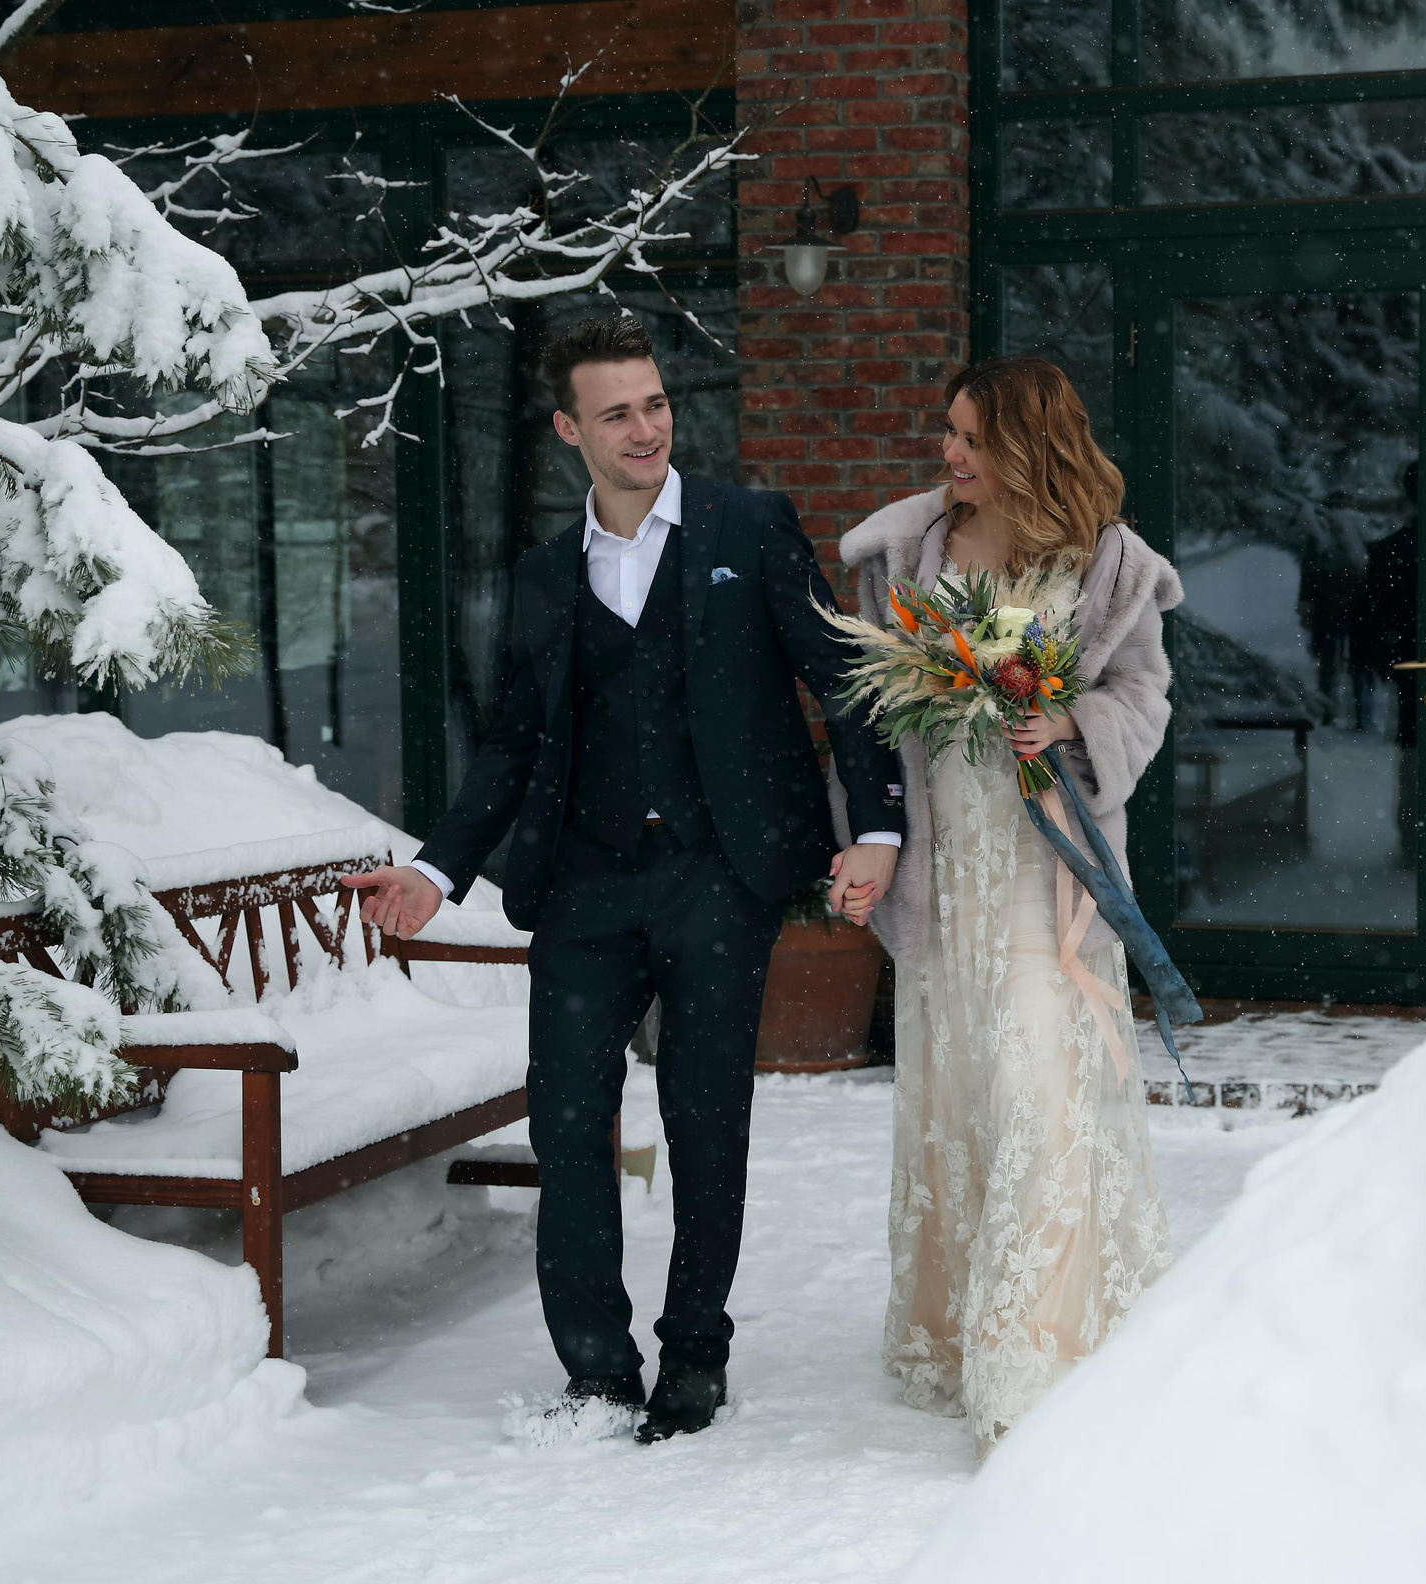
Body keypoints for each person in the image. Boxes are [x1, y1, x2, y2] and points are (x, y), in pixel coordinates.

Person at [341, 314, 905, 1444]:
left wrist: (879, 830)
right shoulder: (549, 576)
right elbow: (511, 743)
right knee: (569, 1122)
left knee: (705, 1124)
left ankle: (695, 1351)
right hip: (589, 883)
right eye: (618, 412)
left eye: (654, 404)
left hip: (719, 873)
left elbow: (842, 681)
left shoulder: (750, 526)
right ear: (569, 430)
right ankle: (595, 1367)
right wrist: (437, 869)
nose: (645, 428)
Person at [836, 355, 1179, 1459]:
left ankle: (1029, 1361)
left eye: (971, 439)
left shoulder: (1107, 562)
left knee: (1042, 1081)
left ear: (1030, 446)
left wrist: (1068, 722)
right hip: (950, 862)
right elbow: (868, 710)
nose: (950, 454)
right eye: (949, 433)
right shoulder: (910, 552)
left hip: (1048, 873)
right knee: (963, 1088)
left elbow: (1144, 694)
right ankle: (954, 1328)